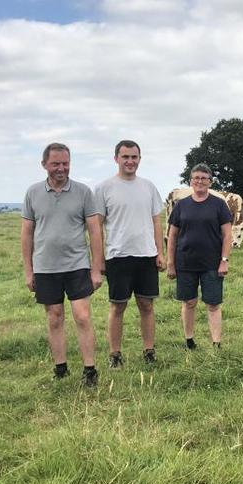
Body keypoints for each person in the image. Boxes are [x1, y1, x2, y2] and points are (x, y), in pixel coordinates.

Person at [21, 142, 103, 386]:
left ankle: (90, 370)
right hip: (45, 266)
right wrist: (29, 270)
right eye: (56, 163)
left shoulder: (83, 192)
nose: (61, 168)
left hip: (77, 264)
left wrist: (96, 268)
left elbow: (95, 231)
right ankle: (60, 367)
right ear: (44, 164)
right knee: (54, 317)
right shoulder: (33, 193)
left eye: (65, 163)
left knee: (82, 316)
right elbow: (27, 233)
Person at [94, 140, 165, 367]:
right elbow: (97, 227)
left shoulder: (149, 187)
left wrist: (160, 253)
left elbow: (156, 222)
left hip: (146, 255)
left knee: (147, 305)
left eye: (134, 157)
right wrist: (98, 260)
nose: (130, 161)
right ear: (116, 159)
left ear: (140, 160)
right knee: (118, 306)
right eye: (125, 157)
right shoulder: (104, 188)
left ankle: (149, 351)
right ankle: (115, 354)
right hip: (118, 256)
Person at [166, 163, 232, 349]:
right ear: (190, 181)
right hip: (185, 262)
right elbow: (172, 236)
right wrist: (171, 263)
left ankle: (216, 343)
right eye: (196, 178)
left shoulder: (219, 205)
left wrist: (224, 261)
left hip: (212, 263)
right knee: (189, 302)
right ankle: (189, 340)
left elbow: (227, 235)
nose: (200, 181)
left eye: (204, 178)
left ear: (210, 182)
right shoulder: (181, 206)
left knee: (213, 304)